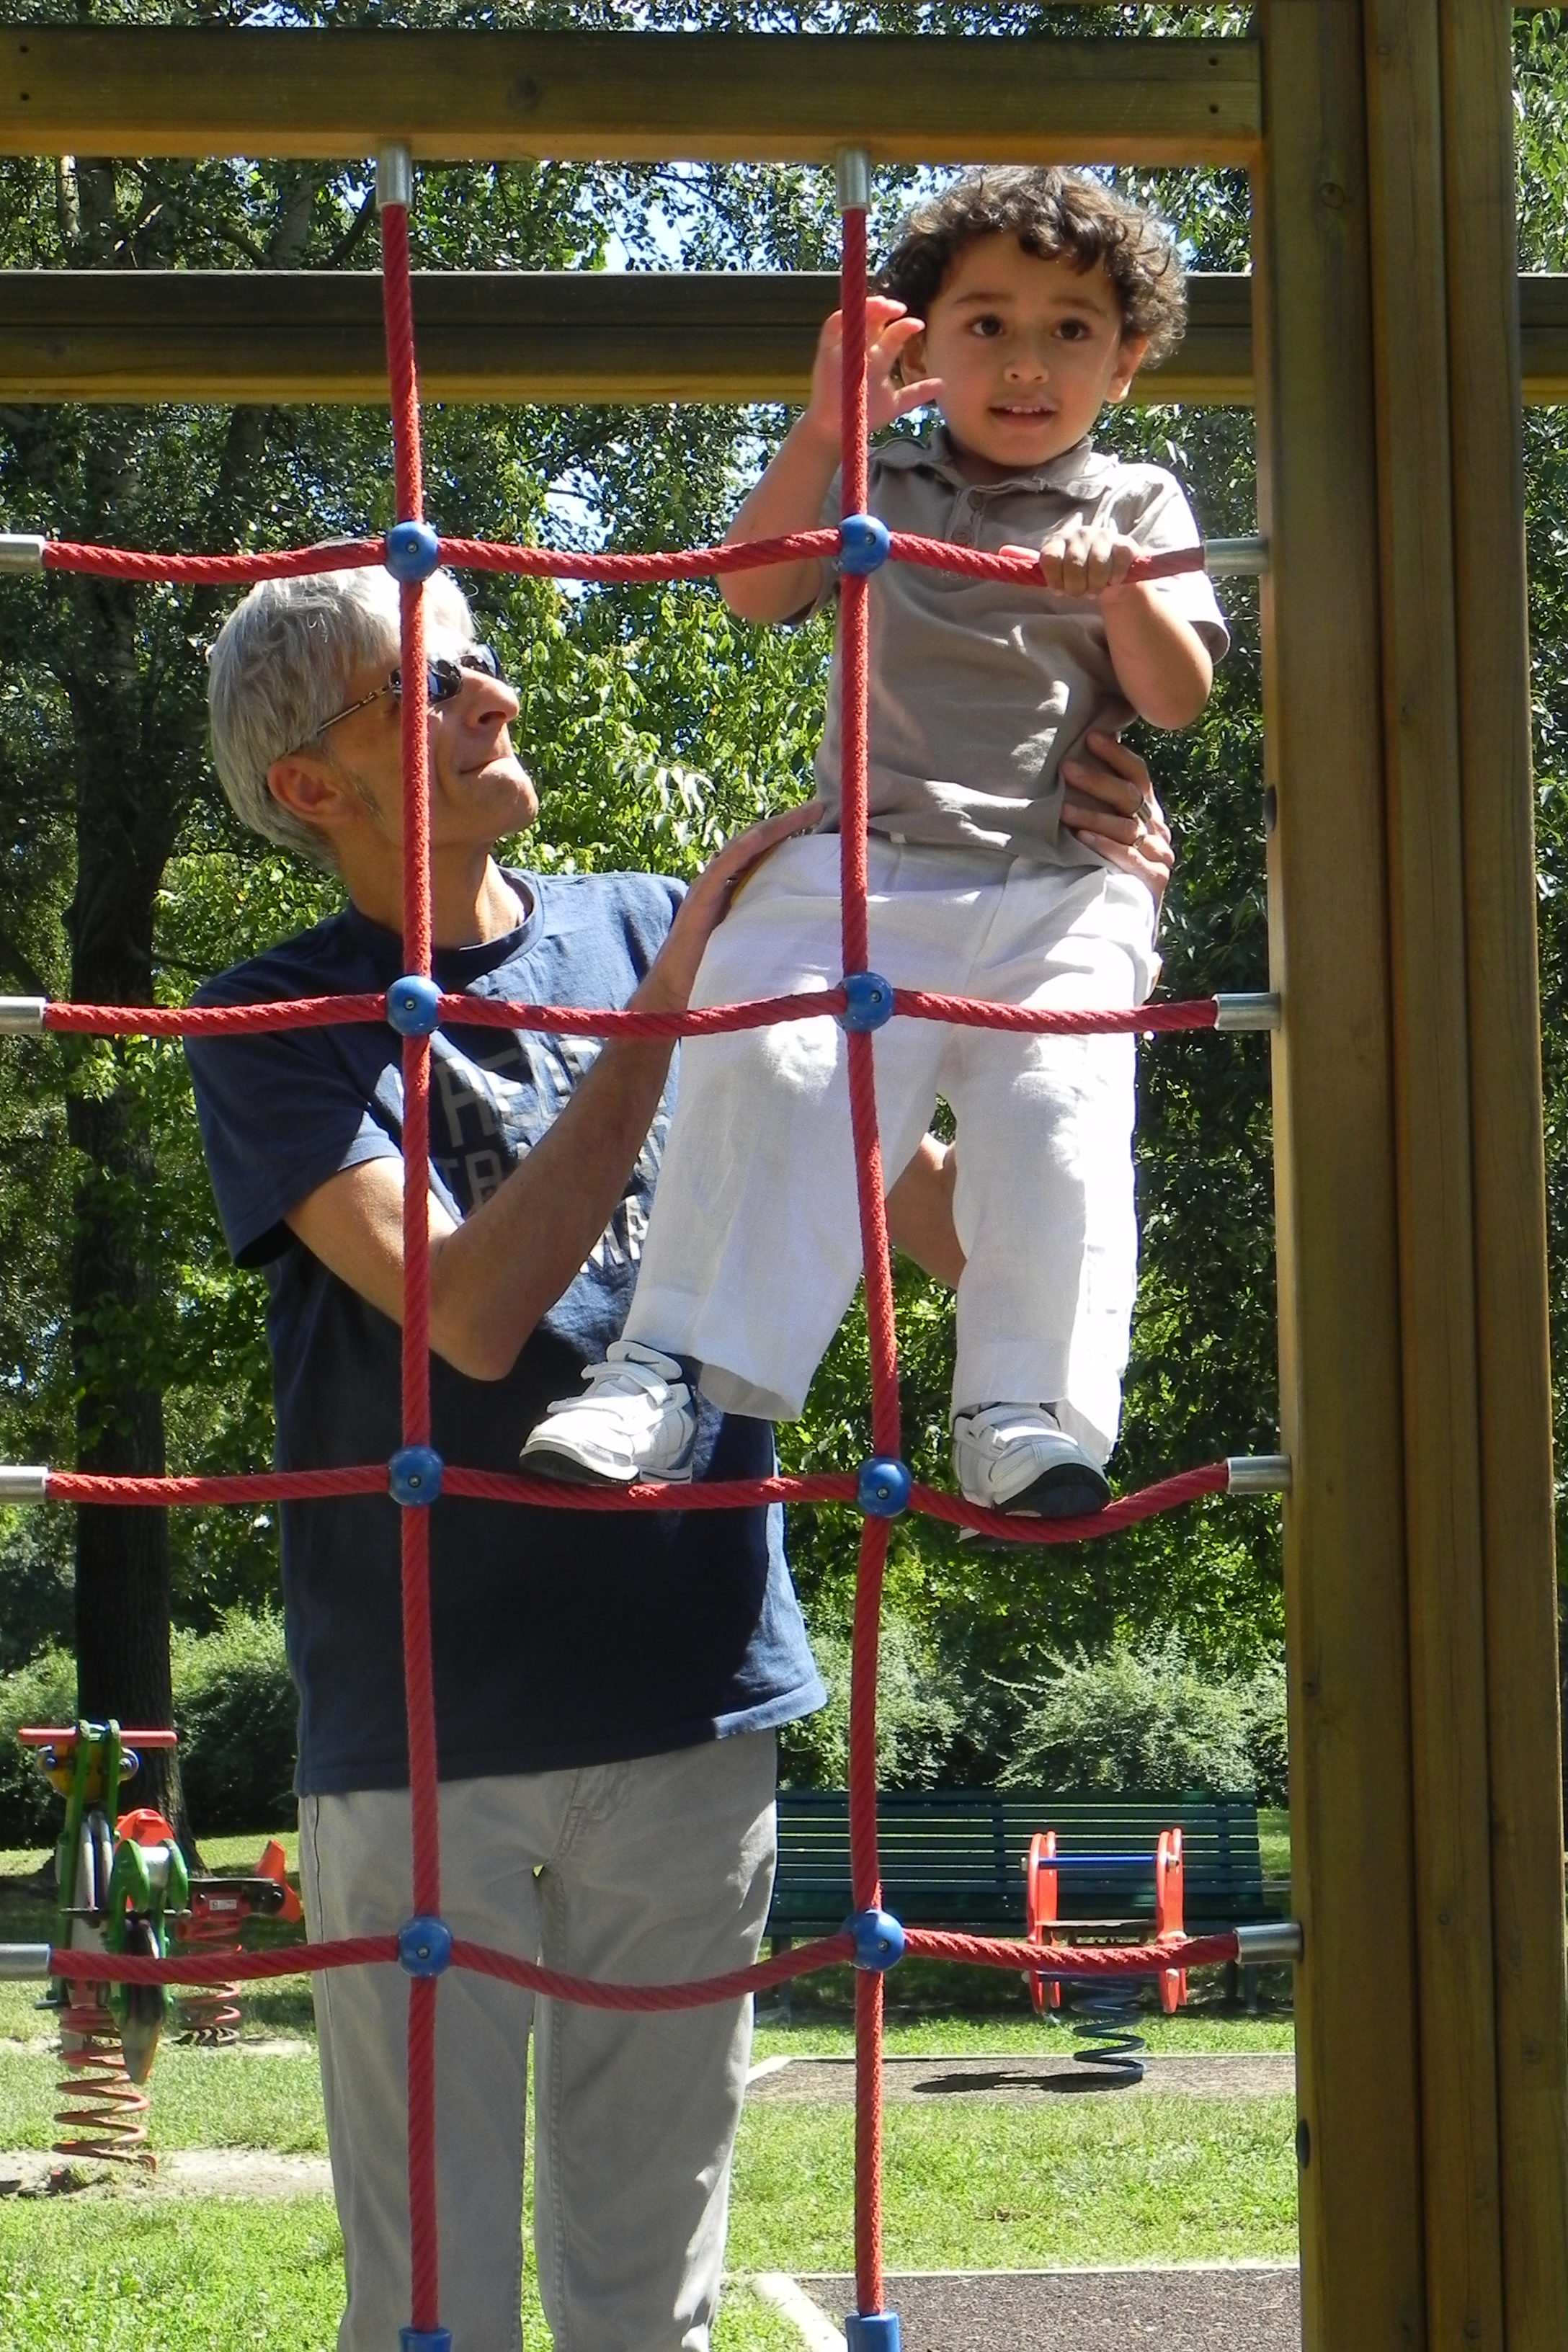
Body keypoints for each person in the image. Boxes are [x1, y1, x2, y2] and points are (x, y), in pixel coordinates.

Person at [184, 559, 1172, 2352]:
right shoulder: (281, 1023)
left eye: (480, 661)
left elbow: (940, 1234)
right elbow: (470, 1315)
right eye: (430, 685)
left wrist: (1070, 936)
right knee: (430, 2313)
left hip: (691, 1692)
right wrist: (678, 1012)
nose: (490, 696)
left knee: (649, 2304)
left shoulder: (662, 922)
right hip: (423, 1729)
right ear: (311, 785)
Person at [522, 167, 1228, 1523]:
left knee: (1057, 1110)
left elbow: (1178, 691)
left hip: (1060, 885)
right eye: (987, 326)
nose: (1027, 363)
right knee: (769, 1049)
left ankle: (1026, 1406)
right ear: (921, 343)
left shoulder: (1136, 503)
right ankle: (667, 1369)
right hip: (864, 865)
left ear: (1126, 362)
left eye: (1072, 330)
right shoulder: (877, 480)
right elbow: (753, 592)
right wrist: (822, 432)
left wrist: (1119, 590)